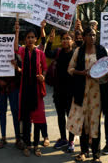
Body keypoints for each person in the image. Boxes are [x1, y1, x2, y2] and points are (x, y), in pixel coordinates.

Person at [67, 27, 108, 163]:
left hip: (97, 93)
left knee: (95, 123)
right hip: (82, 91)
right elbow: (70, 69)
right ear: (84, 37)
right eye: (90, 35)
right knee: (84, 123)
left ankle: (96, 155)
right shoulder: (78, 52)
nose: (93, 37)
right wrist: (82, 73)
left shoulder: (102, 50)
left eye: (94, 35)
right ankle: (84, 152)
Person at [14, 20, 48, 157]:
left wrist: (43, 77)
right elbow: (15, 47)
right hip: (25, 89)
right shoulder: (22, 51)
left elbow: (45, 68)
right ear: (25, 39)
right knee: (27, 119)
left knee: (39, 119)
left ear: (35, 39)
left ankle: (36, 146)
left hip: (37, 90)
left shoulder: (40, 53)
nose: (30, 39)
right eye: (28, 37)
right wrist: (17, 31)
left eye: (32, 37)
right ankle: (27, 145)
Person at [42, 22, 76, 152]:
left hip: (71, 91)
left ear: (72, 41)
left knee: (70, 116)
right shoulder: (58, 52)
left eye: (68, 38)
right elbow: (47, 53)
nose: (65, 41)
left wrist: (79, 29)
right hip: (58, 90)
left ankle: (71, 140)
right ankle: (63, 139)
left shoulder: (75, 53)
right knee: (60, 116)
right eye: (63, 39)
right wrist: (50, 40)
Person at [0, 57, 23, 149]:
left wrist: (16, 67)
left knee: (15, 112)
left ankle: (18, 138)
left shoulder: (17, 57)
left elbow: (22, 72)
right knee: (2, 112)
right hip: (1, 88)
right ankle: (3, 138)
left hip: (14, 88)